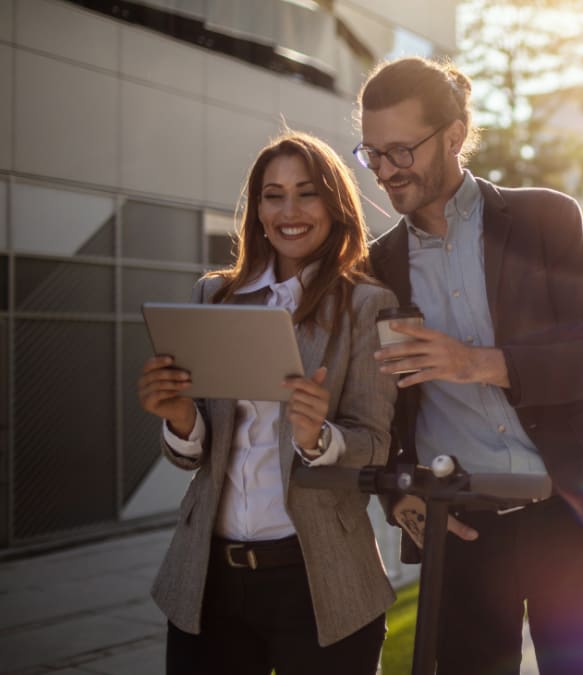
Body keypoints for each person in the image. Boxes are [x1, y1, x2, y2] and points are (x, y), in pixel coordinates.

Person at [353, 56, 583, 675]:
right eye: (373, 154)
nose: (385, 171)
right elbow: (374, 407)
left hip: (574, 517)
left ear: (454, 136)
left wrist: (481, 364)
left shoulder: (546, 220)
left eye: (401, 151)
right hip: (462, 531)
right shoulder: (374, 267)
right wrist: (398, 490)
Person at [138, 131, 399, 675]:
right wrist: (180, 419)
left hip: (320, 579)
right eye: (272, 195)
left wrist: (318, 439)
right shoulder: (213, 297)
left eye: (307, 193)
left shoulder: (366, 305)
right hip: (209, 579)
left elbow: (375, 446)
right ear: (256, 210)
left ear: (335, 204)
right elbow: (192, 457)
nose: (289, 211)